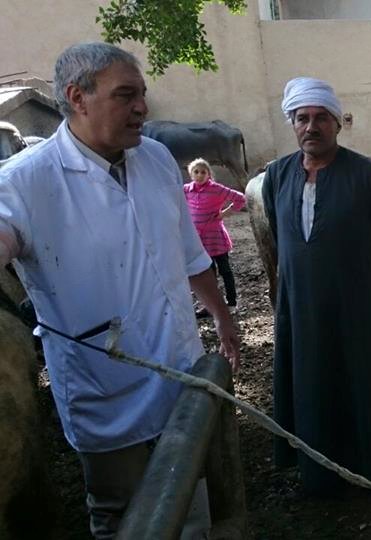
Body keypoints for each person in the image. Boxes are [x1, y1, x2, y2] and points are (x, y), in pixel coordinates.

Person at [0, 42, 241, 539]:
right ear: (78, 97)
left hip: (178, 364)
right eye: (126, 95)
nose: (143, 108)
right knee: (119, 514)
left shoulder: (156, 158)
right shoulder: (22, 182)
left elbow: (190, 253)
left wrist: (222, 317)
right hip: (103, 383)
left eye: (142, 94)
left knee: (189, 497)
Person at [262, 77, 371, 495]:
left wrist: (360, 288)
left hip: (357, 304)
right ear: (292, 124)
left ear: (338, 123)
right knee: (310, 381)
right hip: (300, 306)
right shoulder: (277, 176)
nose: (311, 127)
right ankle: (318, 473)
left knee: (366, 380)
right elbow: (280, 235)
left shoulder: (370, 176)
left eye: (321, 118)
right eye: (302, 118)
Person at [183, 158, 247, 316]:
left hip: (216, 239)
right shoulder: (186, 190)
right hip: (199, 240)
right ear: (191, 174)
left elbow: (240, 198)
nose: (199, 175)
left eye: (203, 172)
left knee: (225, 270)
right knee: (207, 274)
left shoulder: (216, 189)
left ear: (209, 174)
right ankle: (210, 306)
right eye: (196, 172)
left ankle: (231, 303)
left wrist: (224, 213)